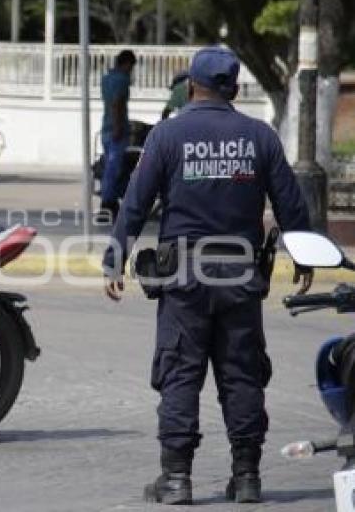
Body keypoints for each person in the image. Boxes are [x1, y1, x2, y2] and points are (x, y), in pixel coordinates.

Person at [102, 47, 313, 505]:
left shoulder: (166, 136)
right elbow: (290, 204)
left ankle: (176, 480)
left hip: (184, 280)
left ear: (190, 87)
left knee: (180, 374)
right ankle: (248, 475)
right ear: (234, 89)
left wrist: (114, 257)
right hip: (240, 278)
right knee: (242, 376)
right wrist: (305, 256)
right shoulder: (260, 136)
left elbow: (134, 203)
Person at [99, 49, 137, 222]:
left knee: (110, 168)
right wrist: (118, 127)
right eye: (131, 66)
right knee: (114, 169)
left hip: (105, 128)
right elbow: (117, 104)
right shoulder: (122, 80)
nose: (132, 71)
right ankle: (107, 205)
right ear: (127, 64)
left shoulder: (106, 79)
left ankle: (111, 202)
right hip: (116, 130)